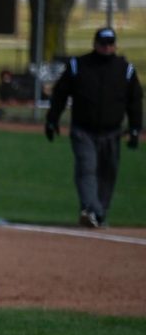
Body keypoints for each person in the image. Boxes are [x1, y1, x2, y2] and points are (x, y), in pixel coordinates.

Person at [45, 27, 142, 228]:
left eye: (110, 44)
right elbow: (60, 94)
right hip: (83, 129)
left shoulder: (125, 69)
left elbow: (135, 101)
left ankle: (99, 214)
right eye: (103, 44)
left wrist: (134, 129)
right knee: (86, 168)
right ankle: (91, 209)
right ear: (95, 44)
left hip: (112, 131)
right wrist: (52, 119)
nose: (106, 48)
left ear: (115, 45)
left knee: (108, 173)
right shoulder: (78, 66)